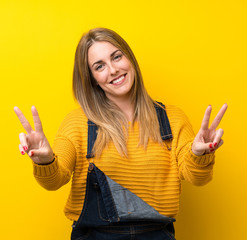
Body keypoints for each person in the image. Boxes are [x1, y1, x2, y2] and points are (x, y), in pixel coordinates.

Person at [14, 28, 227, 240]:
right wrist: (45, 161)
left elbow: (196, 178)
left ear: (130, 58)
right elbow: (55, 181)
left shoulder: (172, 119)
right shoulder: (77, 123)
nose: (114, 69)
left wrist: (200, 154)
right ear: (92, 79)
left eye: (117, 57)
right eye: (100, 66)